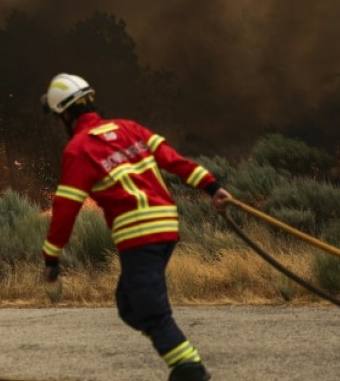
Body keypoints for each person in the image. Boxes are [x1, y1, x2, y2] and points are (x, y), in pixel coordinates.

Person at [40, 73, 232, 381]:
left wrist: (51, 257)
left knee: (150, 310)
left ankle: (189, 369)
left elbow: (65, 210)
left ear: (64, 114)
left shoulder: (78, 150)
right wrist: (211, 186)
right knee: (128, 305)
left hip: (139, 235)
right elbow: (173, 160)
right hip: (166, 225)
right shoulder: (130, 128)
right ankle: (177, 352)